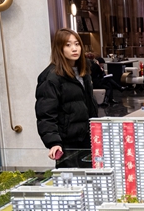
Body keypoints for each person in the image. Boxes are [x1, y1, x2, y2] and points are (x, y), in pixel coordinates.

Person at [35, 28, 97, 168]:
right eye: (68, 45)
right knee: (71, 179)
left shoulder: (83, 72)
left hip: (87, 138)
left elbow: (89, 105)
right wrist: (54, 142)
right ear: (59, 48)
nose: (74, 49)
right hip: (67, 143)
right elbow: (46, 114)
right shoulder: (51, 77)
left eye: (77, 44)